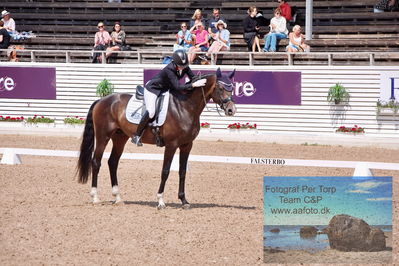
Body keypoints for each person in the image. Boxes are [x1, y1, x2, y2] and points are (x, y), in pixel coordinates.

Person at [131, 50, 207, 146]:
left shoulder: (184, 65)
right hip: (153, 89)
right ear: (175, 63)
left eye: (184, 66)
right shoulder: (169, 70)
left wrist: (202, 80)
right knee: (151, 112)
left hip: (166, 89)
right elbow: (178, 87)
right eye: (181, 66)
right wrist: (193, 85)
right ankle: (137, 135)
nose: (183, 68)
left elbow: (193, 77)